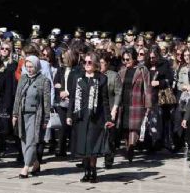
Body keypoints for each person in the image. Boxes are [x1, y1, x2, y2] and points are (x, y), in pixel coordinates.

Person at [69, 54, 112, 183]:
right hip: (81, 116)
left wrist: (108, 118)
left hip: (95, 117)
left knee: (92, 145)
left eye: (89, 62)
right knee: (83, 144)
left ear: (95, 64)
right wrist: (69, 115)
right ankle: (86, 171)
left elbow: (105, 100)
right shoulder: (77, 77)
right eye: (85, 62)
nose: (87, 64)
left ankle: (93, 171)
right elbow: (72, 98)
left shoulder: (102, 79)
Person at [12, 55, 51, 178]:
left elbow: (46, 101)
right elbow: (17, 97)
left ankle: (25, 167)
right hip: (22, 114)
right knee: (23, 139)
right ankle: (35, 162)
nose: (29, 69)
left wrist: (46, 118)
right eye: (27, 67)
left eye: (31, 67)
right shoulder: (23, 78)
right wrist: (14, 114)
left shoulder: (44, 80)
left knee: (31, 141)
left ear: (37, 66)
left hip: (35, 115)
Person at [117, 48, 152, 162]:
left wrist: (148, 105)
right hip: (124, 103)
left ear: (134, 58)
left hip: (136, 103)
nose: (126, 61)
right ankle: (128, 147)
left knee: (134, 128)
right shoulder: (121, 71)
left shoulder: (142, 70)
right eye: (124, 59)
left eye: (128, 59)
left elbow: (147, 89)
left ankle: (131, 148)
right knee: (125, 127)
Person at [51, 49, 80, 158]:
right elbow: (56, 83)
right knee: (62, 126)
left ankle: (74, 150)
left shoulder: (77, 70)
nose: (63, 59)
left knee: (72, 126)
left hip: (73, 100)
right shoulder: (61, 69)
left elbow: (77, 85)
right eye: (62, 57)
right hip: (62, 101)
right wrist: (61, 90)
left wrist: (67, 92)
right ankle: (61, 149)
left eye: (65, 57)